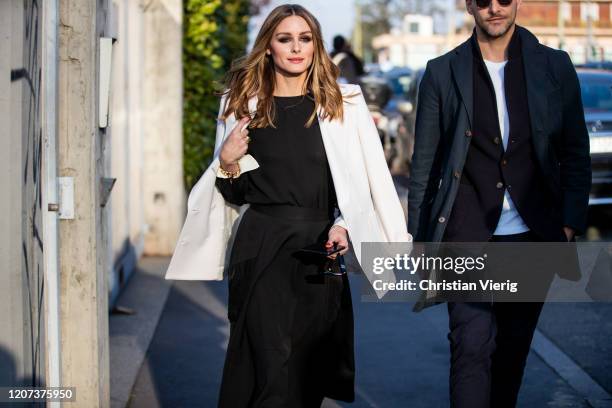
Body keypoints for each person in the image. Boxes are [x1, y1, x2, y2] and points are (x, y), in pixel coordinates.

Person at [164, 4, 411, 407]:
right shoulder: (242, 103)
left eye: (305, 38)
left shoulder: (343, 103)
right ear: (269, 48)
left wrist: (344, 225)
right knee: (267, 366)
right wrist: (226, 162)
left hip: (319, 251)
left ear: (315, 45)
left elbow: (364, 182)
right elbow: (234, 195)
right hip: (261, 248)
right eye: (285, 39)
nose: (296, 48)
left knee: (308, 373)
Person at [408, 0, 591, 407]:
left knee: (512, 351)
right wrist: (421, 240)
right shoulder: (442, 71)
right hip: (465, 234)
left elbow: (575, 150)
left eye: (504, 0)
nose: (495, 8)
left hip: (533, 235)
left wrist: (569, 222)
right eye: (484, 0)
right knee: (470, 346)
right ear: (468, 5)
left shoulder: (555, 66)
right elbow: (425, 164)